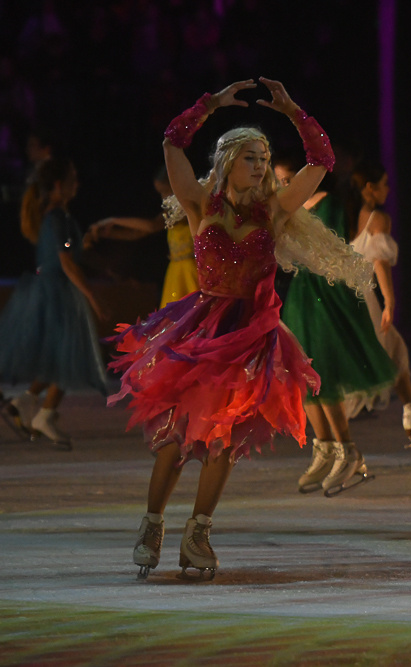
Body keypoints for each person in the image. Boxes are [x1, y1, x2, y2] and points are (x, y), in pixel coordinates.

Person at [109, 79, 371, 579]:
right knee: (174, 438)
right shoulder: (197, 203)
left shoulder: (272, 211)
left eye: (264, 156)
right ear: (229, 160)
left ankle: (198, 533)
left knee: (222, 440)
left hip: (250, 337)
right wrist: (208, 105)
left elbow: (322, 161)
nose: (260, 164)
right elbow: (172, 141)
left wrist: (293, 109)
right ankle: (152, 524)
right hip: (202, 330)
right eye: (251, 156)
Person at [273, 156, 397, 496]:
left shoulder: (330, 204)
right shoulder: (283, 209)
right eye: (278, 181)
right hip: (300, 295)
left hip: (328, 292)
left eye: (287, 179)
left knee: (323, 371)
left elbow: (340, 247)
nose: (282, 186)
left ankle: (347, 450)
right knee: (303, 375)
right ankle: (324, 448)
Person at [0, 156, 108, 447]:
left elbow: (73, 253)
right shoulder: (57, 217)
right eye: (73, 179)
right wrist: (92, 297)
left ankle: (27, 401)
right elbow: (67, 264)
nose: (78, 184)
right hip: (57, 290)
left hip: (49, 289)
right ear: (59, 185)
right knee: (68, 354)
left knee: (59, 355)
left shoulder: (59, 217)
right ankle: (44, 413)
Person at [344, 161, 411, 447]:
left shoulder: (343, 215)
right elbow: (379, 261)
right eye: (384, 184)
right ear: (370, 187)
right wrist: (390, 301)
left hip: (339, 298)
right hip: (362, 300)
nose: (388, 190)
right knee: (371, 360)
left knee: (395, 350)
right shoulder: (377, 219)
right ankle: (335, 441)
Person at [84, 167, 199, 308]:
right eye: (160, 193)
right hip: (176, 273)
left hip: (191, 271)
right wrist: (103, 234)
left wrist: (113, 220)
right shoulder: (170, 212)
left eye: (166, 191)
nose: (163, 198)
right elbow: (137, 233)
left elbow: (152, 226)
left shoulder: (187, 209)